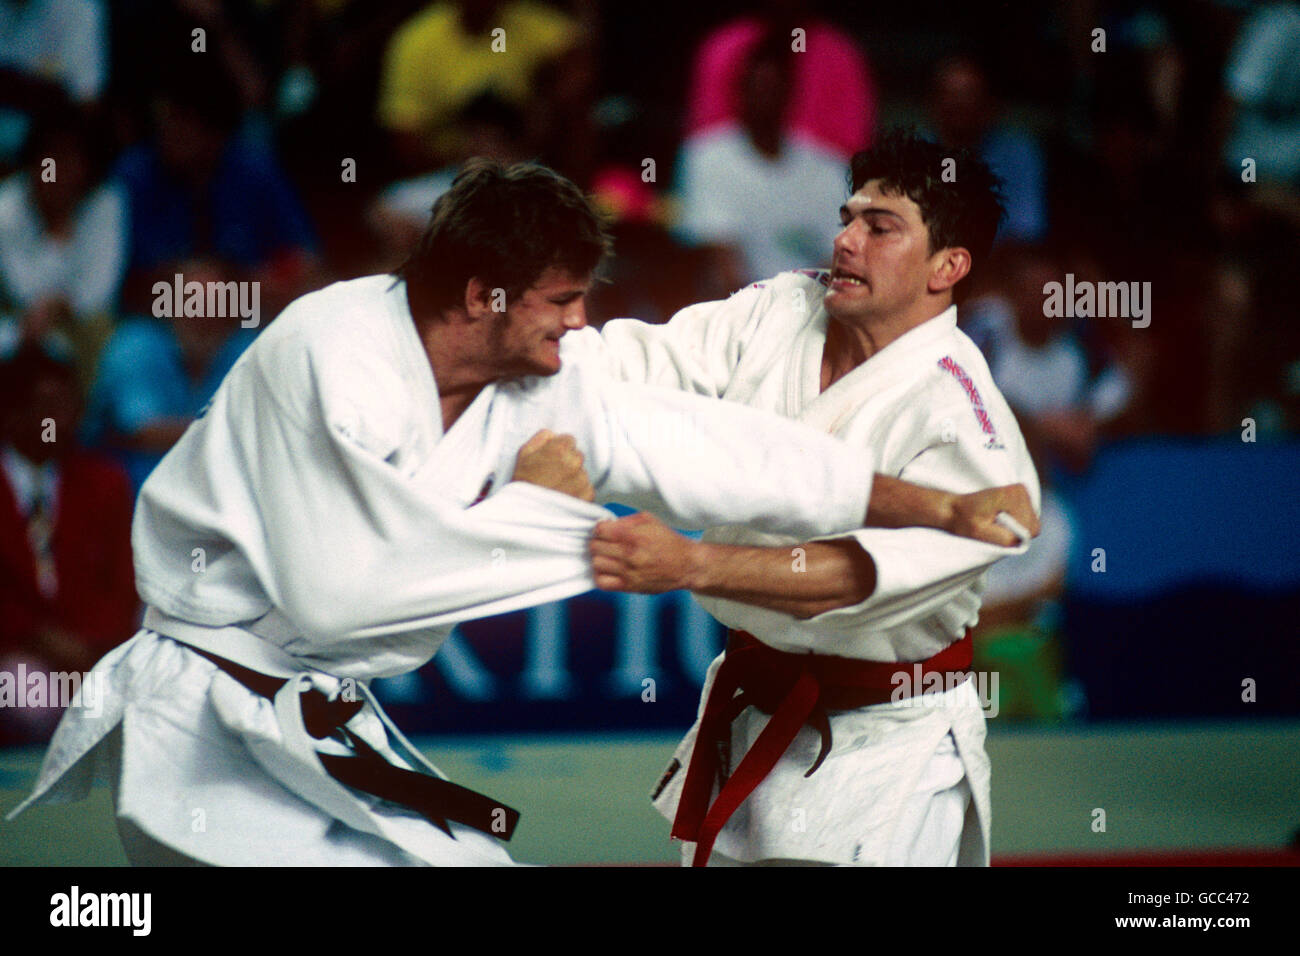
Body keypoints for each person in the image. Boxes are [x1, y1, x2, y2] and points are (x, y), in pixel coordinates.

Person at [6, 160, 1028, 867]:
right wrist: (553, 518)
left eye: (877, 223)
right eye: (562, 301)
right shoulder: (333, 358)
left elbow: (709, 449)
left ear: (948, 265)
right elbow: (348, 596)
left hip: (883, 731)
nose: (582, 325)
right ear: (486, 295)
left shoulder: (526, 371)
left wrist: (928, 500)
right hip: (211, 715)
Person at [577, 129, 1042, 866]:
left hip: (886, 752)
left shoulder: (964, 421)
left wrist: (692, 566)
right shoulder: (782, 307)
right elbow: (642, 362)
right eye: (847, 217)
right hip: (756, 714)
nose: (846, 240)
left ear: (947, 266)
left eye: (879, 227)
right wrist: (529, 346)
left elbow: (853, 573)